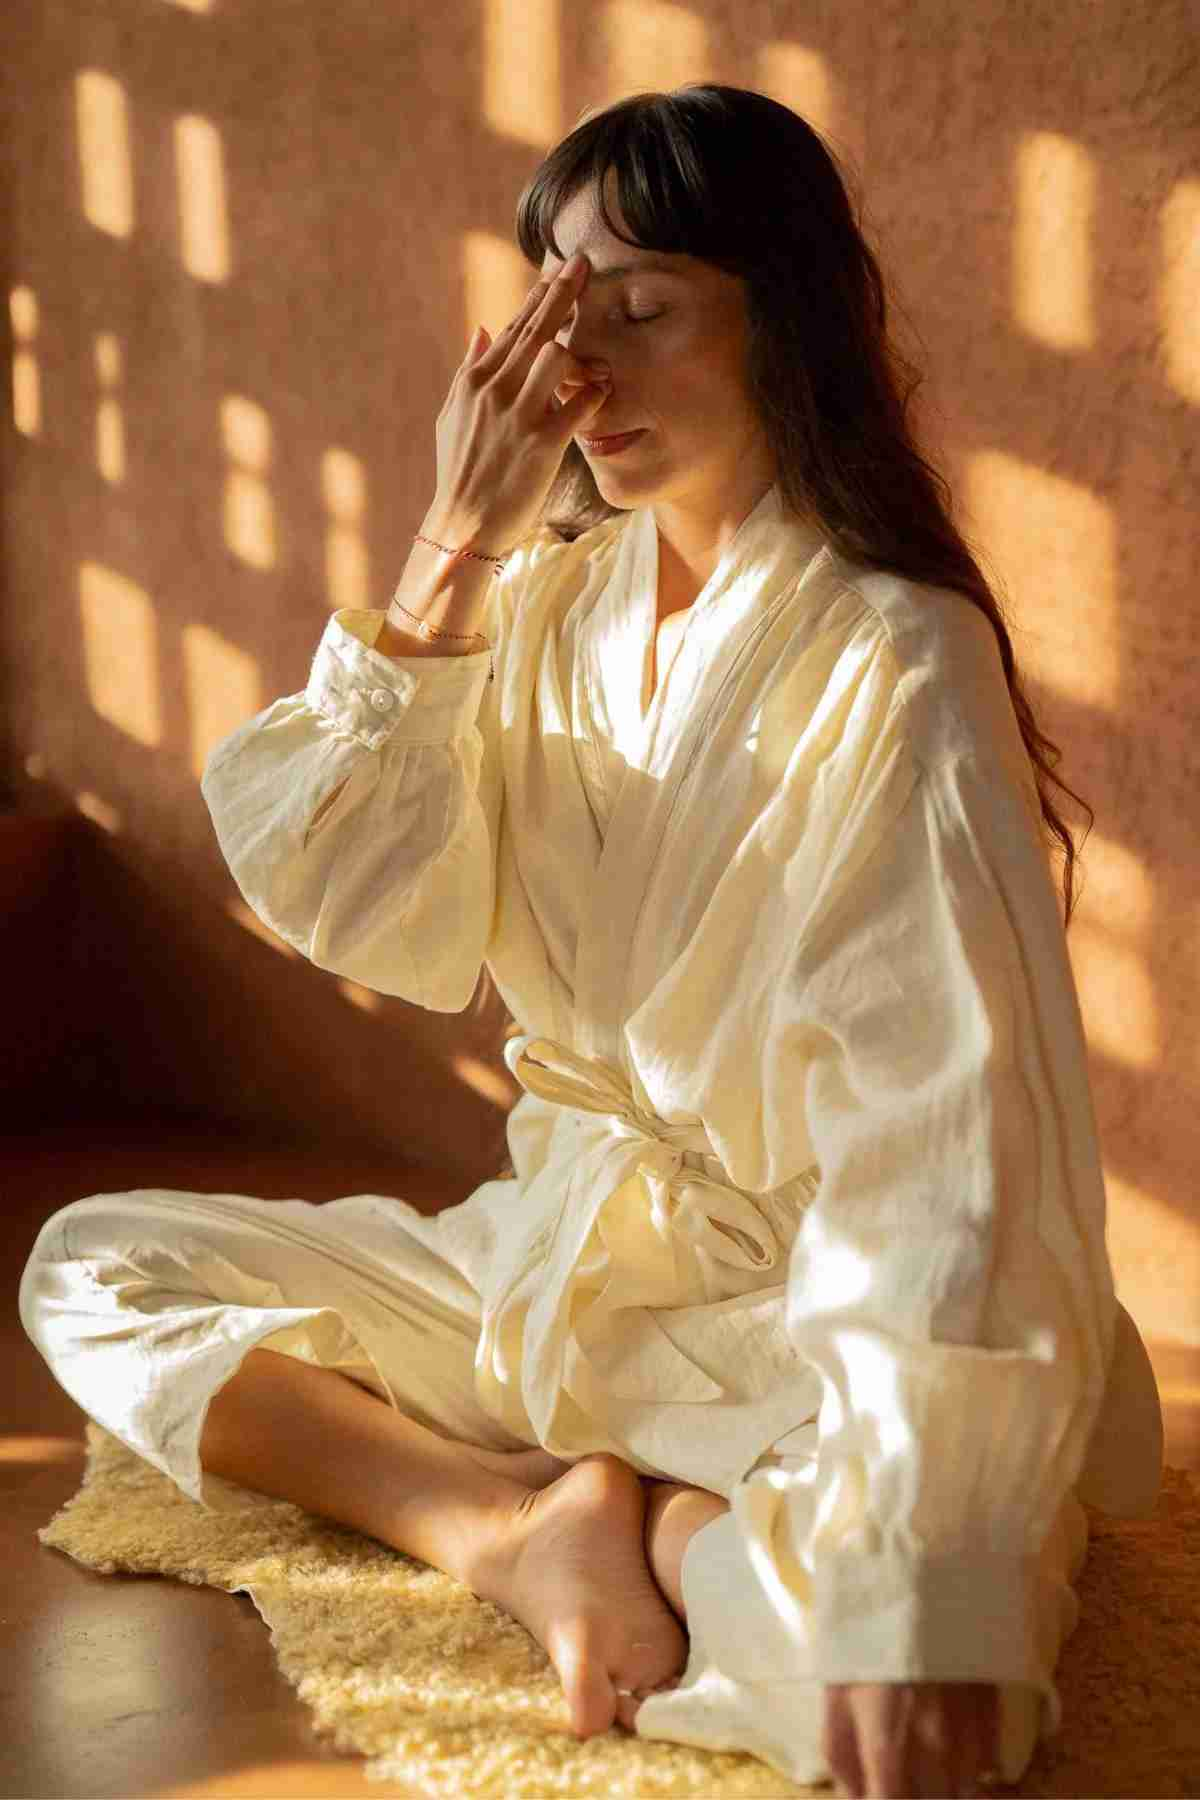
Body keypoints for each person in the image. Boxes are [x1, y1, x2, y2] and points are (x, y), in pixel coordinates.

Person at [20, 84, 1163, 1800]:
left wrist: (923, 1578)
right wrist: (456, 543)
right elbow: (348, 893)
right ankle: (516, 1529)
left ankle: (694, 1514)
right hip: (566, 1258)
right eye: (551, 315)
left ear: (790, 315)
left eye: (634, 311)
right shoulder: (552, 604)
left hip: (799, 1312)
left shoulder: (897, 657)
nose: (578, 373)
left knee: (922, 1691)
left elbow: (958, 1144)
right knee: (90, 1265)